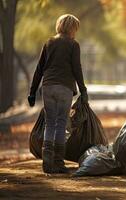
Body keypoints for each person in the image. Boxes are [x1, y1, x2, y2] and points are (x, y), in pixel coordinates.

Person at [28, 14, 88, 174]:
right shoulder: (73, 45)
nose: (76, 32)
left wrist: (32, 91)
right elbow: (77, 68)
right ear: (72, 28)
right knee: (61, 123)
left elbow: (39, 68)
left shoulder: (49, 42)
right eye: (75, 29)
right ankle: (58, 163)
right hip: (64, 88)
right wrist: (83, 89)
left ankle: (47, 163)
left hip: (47, 87)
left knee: (50, 123)